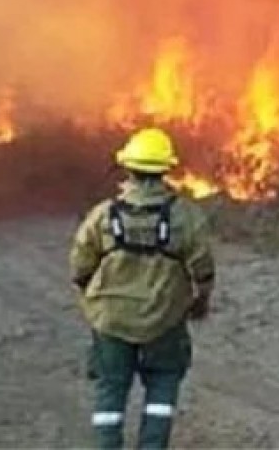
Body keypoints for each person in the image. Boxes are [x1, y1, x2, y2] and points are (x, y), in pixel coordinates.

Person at [69, 127, 215, 450]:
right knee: (163, 385)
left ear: (128, 168)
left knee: (111, 388)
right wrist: (200, 300)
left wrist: (90, 296)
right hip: (164, 320)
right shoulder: (186, 217)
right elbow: (203, 268)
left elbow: (80, 265)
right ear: (166, 169)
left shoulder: (104, 216)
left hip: (111, 321)